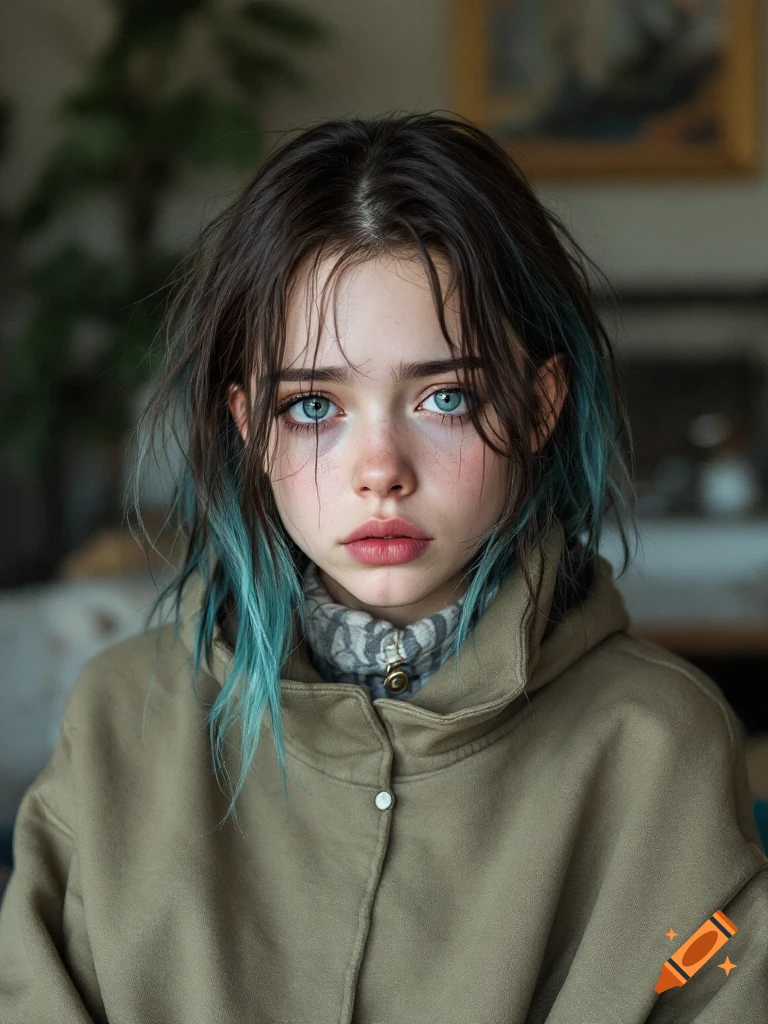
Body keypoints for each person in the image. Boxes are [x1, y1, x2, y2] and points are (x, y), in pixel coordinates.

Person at [0, 111, 765, 1024]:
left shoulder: (657, 744)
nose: (381, 471)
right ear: (249, 427)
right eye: (315, 406)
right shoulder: (122, 718)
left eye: (446, 397)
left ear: (540, 408)